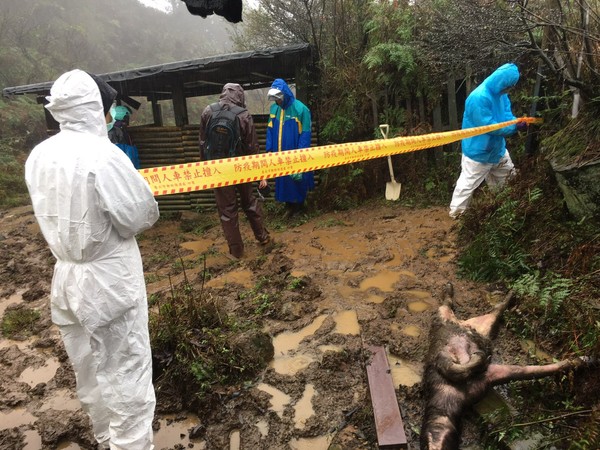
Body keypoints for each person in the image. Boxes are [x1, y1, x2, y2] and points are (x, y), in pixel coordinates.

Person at [24, 69, 159, 450]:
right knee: (126, 375)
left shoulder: (39, 155)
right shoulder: (104, 154)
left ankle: (104, 437)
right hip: (108, 281)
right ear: (95, 108)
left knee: (89, 370)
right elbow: (139, 215)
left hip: (66, 279)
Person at [199, 83, 270, 259]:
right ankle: (264, 239)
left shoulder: (208, 111)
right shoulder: (243, 114)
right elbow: (252, 146)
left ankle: (237, 252)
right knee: (250, 203)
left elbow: (202, 143)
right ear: (240, 96)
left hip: (218, 169)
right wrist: (260, 172)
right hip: (241, 167)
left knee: (227, 211)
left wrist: (206, 168)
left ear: (223, 93)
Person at [449, 63, 527, 218]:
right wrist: (514, 128)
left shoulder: (502, 95)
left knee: (510, 179)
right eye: (508, 86)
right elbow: (490, 127)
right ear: (501, 82)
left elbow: (506, 117)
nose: (509, 89)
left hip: (497, 150)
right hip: (478, 152)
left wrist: (515, 122)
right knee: (467, 184)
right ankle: (457, 215)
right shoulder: (478, 98)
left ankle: (505, 210)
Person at [259, 78, 315, 218]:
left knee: (297, 180)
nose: (277, 101)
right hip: (279, 154)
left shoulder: (301, 109)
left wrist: (300, 157)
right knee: (284, 181)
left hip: (296, 153)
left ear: (284, 94)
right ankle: (288, 207)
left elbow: (305, 134)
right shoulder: (274, 110)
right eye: (275, 99)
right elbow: (270, 131)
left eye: (278, 98)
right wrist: (270, 150)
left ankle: (299, 208)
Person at [108, 104, 141, 169]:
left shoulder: (123, 131)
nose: (127, 121)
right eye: (127, 117)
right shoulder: (114, 132)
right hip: (124, 167)